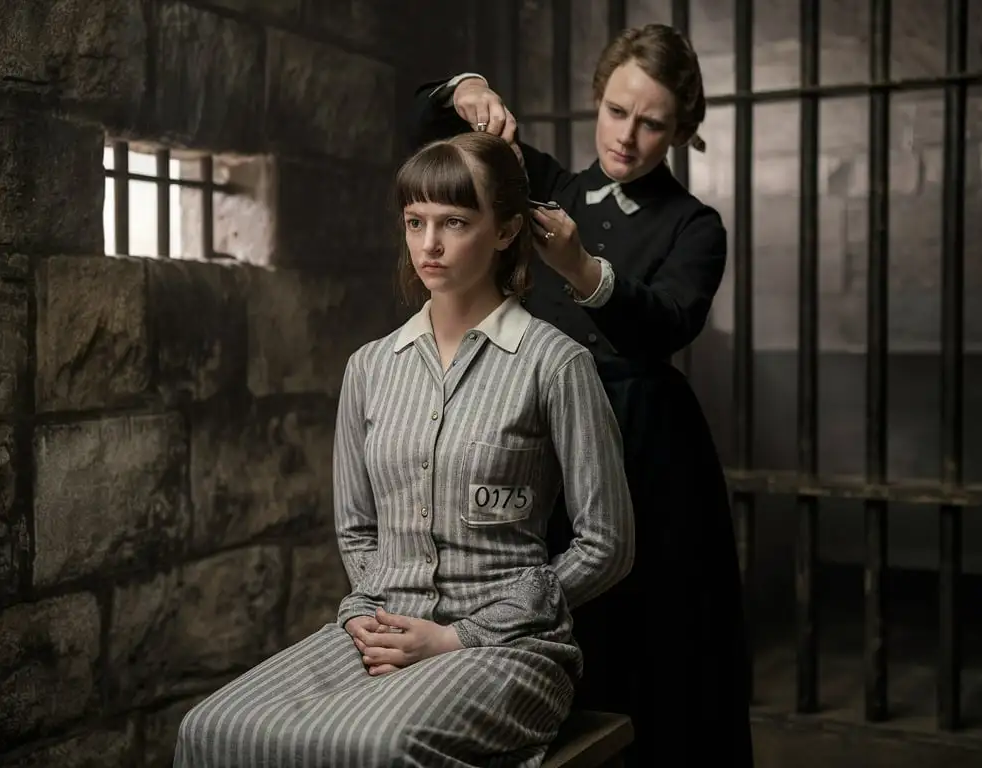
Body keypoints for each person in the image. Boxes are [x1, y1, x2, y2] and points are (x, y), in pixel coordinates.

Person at [173, 131, 635, 768]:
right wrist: (376, 615)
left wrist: (460, 634)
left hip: (507, 648)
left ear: (504, 231)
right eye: (415, 222)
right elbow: (358, 530)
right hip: (382, 628)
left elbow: (606, 545)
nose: (430, 245)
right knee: (210, 728)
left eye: (454, 222)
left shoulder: (555, 365)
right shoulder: (369, 368)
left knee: (377, 748)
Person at [407, 23, 753, 766]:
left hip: (649, 453)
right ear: (597, 98)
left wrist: (582, 267)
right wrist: (464, 89)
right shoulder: (548, 185)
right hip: (546, 442)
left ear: (682, 131)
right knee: (555, 629)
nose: (627, 136)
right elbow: (426, 139)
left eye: (653, 121)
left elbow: (668, 324)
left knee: (662, 648)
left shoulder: (696, 225)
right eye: (617, 110)